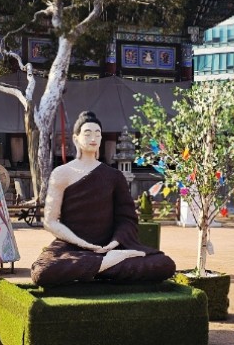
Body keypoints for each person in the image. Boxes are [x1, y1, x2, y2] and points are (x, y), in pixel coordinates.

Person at [30, 111, 176, 286]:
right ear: (76, 138)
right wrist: (82, 244)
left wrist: (113, 244)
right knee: (42, 271)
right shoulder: (61, 173)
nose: (93, 138)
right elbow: (50, 221)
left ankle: (94, 267)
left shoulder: (114, 176)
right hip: (72, 247)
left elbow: (127, 219)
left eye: (97, 134)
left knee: (164, 264)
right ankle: (107, 265)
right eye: (88, 133)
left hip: (109, 247)